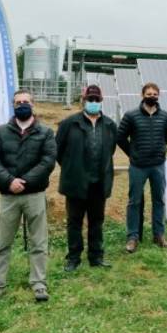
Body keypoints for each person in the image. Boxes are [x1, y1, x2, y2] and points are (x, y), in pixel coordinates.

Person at [0, 90, 57, 304]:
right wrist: (9, 181)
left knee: (39, 242)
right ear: (13, 106)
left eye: (25, 101)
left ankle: (39, 283)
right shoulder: (2, 131)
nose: (22, 104)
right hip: (8, 196)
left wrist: (24, 181)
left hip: (34, 194)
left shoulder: (45, 132)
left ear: (33, 105)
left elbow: (48, 160)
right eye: (18, 102)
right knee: (3, 242)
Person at [56, 85, 118, 272]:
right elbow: (58, 151)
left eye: (96, 100)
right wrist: (72, 168)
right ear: (83, 100)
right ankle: (73, 258)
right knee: (74, 221)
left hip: (99, 183)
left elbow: (111, 150)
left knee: (96, 221)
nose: (93, 102)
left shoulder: (109, 125)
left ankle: (96, 257)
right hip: (75, 183)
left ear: (101, 101)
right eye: (90, 99)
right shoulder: (69, 124)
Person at [117, 82, 167, 253]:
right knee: (134, 201)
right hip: (138, 166)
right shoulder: (131, 115)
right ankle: (132, 237)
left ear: (158, 96)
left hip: (157, 166)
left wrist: (159, 151)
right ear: (142, 95)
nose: (152, 96)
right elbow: (120, 137)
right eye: (148, 93)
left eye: (155, 94)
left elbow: (166, 137)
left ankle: (159, 235)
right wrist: (132, 154)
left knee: (159, 200)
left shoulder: (164, 116)